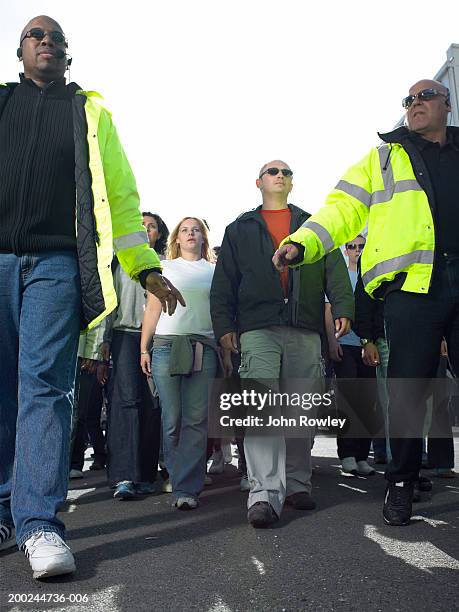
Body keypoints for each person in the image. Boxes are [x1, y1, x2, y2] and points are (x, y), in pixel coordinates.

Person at [0, 16, 183, 579]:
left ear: (67, 56)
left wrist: (144, 267)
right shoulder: (2, 102)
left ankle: (39, 524)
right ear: (20, 50)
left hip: (57, 264)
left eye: (57, 38)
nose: (48, 43)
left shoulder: (90, 114)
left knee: (45, 390)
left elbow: (121, 198)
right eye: (37, 36)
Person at [273, 79, 459, 526]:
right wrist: (302, 242)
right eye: (408, 100)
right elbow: (341, 208)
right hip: (414, 288)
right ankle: (400, 484)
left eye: (425, 97)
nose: (415, 104)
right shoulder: (383, 159)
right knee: (408, 391)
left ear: (446, 105)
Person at [211, 160, 354, 528]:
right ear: (258, 182)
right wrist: (224, 325)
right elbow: (225, 280)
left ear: (292, 183)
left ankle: (297, 484)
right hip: (258, 327)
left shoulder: (313, 225)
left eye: (286, 172)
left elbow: (334, 269)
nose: (280, 176)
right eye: (273, 171)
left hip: (304, 328)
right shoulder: (240, 228)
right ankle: (263, 493)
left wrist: (343, 306)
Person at [141, 218, 220, 510]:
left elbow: (221, 311)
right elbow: (152, 309)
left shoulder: (215, 271)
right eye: (185, 230)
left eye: (196, 229)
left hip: (203, 346)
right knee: (172, 419)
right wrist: (143, 349)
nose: (190, 233)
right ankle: (175, 475)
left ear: (203, 238)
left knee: (196, 420)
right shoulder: (163, 267)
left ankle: (187, 487)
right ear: (176, 238)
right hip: (165, 347)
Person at [102, 213, 169, 500]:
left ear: (159, 234)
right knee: (125, 402)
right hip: (125, 335)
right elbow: (108, 304)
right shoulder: (118, 262)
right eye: (140, 225)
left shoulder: (166, 264)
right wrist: (103, 342)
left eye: (151, 226)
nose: (145, 229)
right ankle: (124, 476)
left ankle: (145, 474)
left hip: (159, 337)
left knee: (153, 405)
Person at [325, 235, 377, 476]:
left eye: (361, 246)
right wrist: (332, 340)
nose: (357, 250)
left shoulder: (371, 274)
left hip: (367, 346)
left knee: (367, 401)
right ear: (345, 250)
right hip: (343, 345)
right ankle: (346, 455)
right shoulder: (340, 275)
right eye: (352, 246)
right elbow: (328, 308)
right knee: (347, 400)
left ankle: (362, 456)